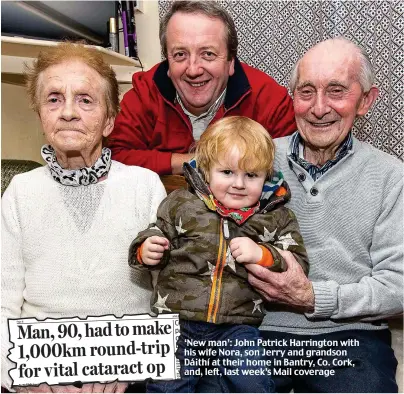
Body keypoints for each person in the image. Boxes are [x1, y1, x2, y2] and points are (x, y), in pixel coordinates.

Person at [1, 42, 166, 393]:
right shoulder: (20, 191)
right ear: (41, 115)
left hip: (127, 372)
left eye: (86, 100)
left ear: (109, 120)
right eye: (54, 98)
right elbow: (2, 303)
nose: (68, 113)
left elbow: (170, 297)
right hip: (38, 369)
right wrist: (22, 377)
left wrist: (133, 363)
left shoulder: (144, 186)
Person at [246, 37, 403, 393]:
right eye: (306, 92)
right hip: (258, 329)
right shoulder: (255, 161)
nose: (319, 108)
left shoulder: (392, 177)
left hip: (351, 336)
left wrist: (313, 297)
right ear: (292, 99)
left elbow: (398, 286)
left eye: (336, 91)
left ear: (365, 101)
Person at [128, 116, 309, 393]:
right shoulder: (182, 203)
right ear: (206, 170)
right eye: (227, 172)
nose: (239, 184)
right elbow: (156, 230)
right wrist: (146, 249)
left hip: (237, 327)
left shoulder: (275, 216)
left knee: (253, 383)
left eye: (251, 175)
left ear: (266, 176)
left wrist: (262, 253)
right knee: (166, 386)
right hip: (178, 323)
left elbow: (297, 262)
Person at [108, 1, 297, 176]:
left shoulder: (269, 99)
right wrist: (193, 161)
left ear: (231, 62)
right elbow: (113, 158)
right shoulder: (145, 92)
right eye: (180, 54)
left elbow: (292, 168)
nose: (193, 70)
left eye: (208, 54)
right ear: (167, 61)